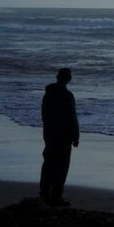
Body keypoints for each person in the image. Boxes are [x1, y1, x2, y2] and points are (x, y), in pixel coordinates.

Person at [39, 67, 79, 206]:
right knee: (62, 167)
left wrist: (48, 132)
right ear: (69, 79)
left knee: (48, 164)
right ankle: (56, 196)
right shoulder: (67, 95)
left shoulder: (48, 94)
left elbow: (44, 116)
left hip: (50, 134)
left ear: (57, 77)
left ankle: (44, 194)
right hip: (64, 136)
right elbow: (72, 118)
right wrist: (76, 136)